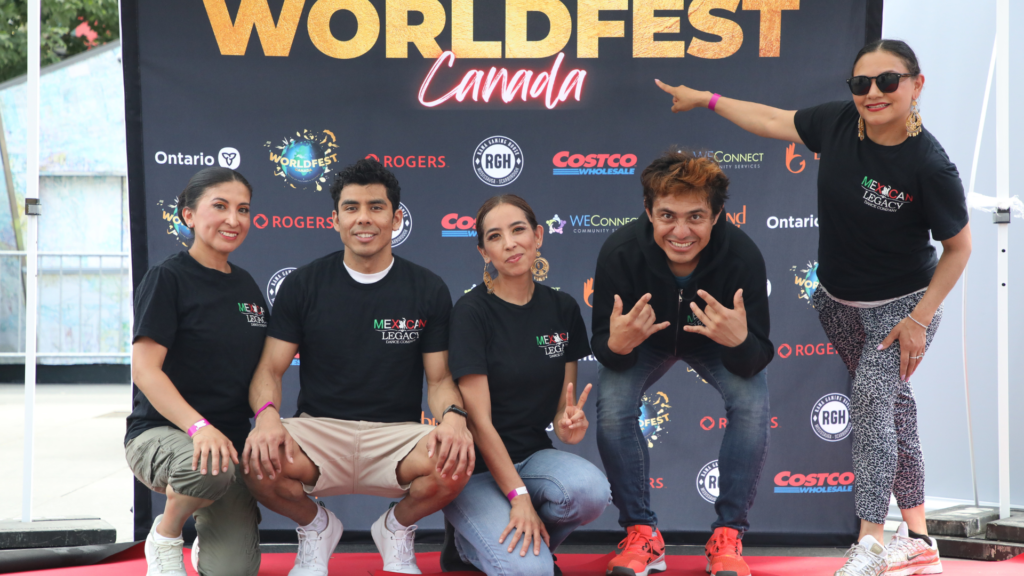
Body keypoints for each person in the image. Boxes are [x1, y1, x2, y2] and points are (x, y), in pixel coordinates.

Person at [656, 38, 971, 576]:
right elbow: (771, 119)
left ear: (917, 86)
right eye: (861, 84)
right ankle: (919, 537)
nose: (873, 94)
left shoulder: (929, 164)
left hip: (902, 308)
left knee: (873, 405)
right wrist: (707, 98)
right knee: (893, 407)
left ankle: (870, 543)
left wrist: (918, 320)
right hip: (839, 303)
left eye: (887, 81)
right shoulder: (838, 124)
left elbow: (959, 248)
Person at [241, 158, 474, 576]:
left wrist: (454, 418)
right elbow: (269, 371)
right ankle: (316, 526)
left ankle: (396, 528)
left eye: (376, 207)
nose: (363, 218)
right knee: (257, 458)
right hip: (319, 432)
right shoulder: (304, 284)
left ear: (396, 217)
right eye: (351, 208)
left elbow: (439, 380)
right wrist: (267, 417)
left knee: (455, 460)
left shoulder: (427, 287)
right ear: (335, 219)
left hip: (397, 437)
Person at [592, 152, 773, 576]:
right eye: (667, 216)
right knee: (614, 405)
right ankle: (642, 533)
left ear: (716, 216)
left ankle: (728, 536)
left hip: (715, 340)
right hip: (646, 338)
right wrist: (618, 346)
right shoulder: (619, 253)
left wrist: (739, 341)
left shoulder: (742, 257)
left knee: (751, 405)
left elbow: (758, 356)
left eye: (695, 217)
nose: (680, 231)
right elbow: (604, 346)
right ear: (648, 212)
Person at [442, 195, 611, 576]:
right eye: (495, 236)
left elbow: (562, 406)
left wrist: (568, 425)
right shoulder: (471, 312)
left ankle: (507, 541)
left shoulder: (563, 307)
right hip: (475, 471)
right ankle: (468, 545)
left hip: (533, 457)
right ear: (484, 252)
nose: (510, 243)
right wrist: (518, 497)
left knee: (590, 492)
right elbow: (479, 423)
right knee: (532, 572)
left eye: (518, 230)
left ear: (537, 236)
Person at [126, 167, 264, 576]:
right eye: (219, 206)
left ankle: (208, 533)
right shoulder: (168, 278)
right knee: (208, 465)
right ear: (188, 215)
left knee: (234, 571)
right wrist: (198, 427)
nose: (233, 219)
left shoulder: (247, 286)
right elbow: (145, 370)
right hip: (164, 434)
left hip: (229, 446)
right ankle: (166, 537)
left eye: (243, 209)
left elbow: (260, 372)